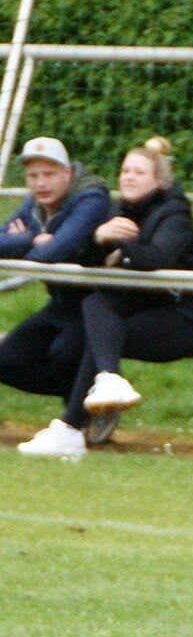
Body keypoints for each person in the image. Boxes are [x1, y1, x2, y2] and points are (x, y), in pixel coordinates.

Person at [1, 136, 118, 458]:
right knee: (6, 360)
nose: (41, 183)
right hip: (61, 302)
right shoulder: (33, 206)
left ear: (67, 173)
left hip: (97, 306)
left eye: (49, 174)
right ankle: (95, 405)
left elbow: (55, 252)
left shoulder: (90, 198)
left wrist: (26, 243)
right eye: (33, 176)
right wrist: (32, 237)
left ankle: (80, 419)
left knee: (64, 352)